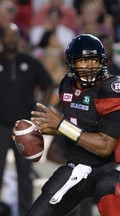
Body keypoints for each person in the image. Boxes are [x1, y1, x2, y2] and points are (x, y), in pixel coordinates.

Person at [23, 34, 120, 216]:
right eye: (83, 61)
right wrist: (40, 129)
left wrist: (61, 125)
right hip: (76, 166)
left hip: (107, 167)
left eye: (94, 61)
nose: (89, 66)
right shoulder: (67, 84)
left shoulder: (112, 88)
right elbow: (79, 127)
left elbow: (105, 146)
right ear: (72, 63)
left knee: (111, 202)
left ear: (102, 62)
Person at [0, 23, 53, 216]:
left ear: (19, 40)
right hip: (1, 127)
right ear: (2, 39)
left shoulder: (29, 62)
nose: (11, 40)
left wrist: (40, 112)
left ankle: (26, 213)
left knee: (25, 176)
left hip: (25, 129)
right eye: (7, 36)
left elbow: (48, 84)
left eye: (14, 36)